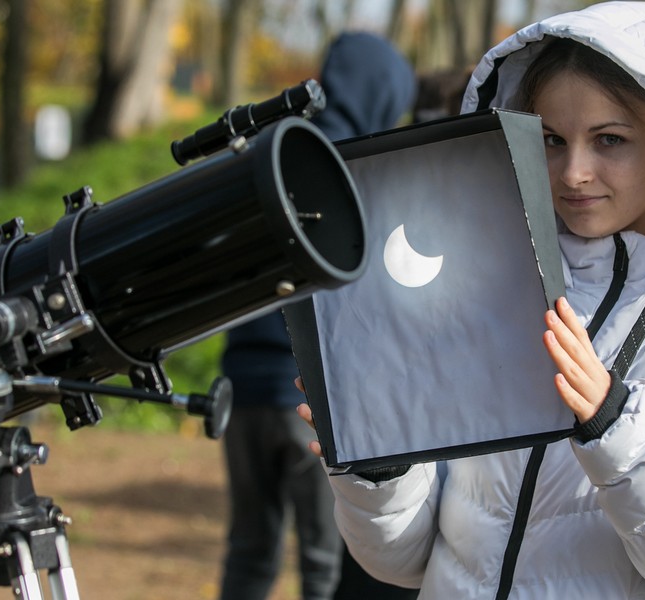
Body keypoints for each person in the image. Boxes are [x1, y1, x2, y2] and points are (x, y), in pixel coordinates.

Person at [296, 3, 645, 598]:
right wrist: (378, 459)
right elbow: (404, 562)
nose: (573, 172)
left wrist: (618, 425)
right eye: (549, 139)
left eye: (609, 140)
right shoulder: (485, 295)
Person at [218, 32, 417, 600]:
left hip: (241, 389)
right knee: (324, 558)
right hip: (311, 399)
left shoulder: (270, 154)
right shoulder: (367, 172)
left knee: (249, 549)